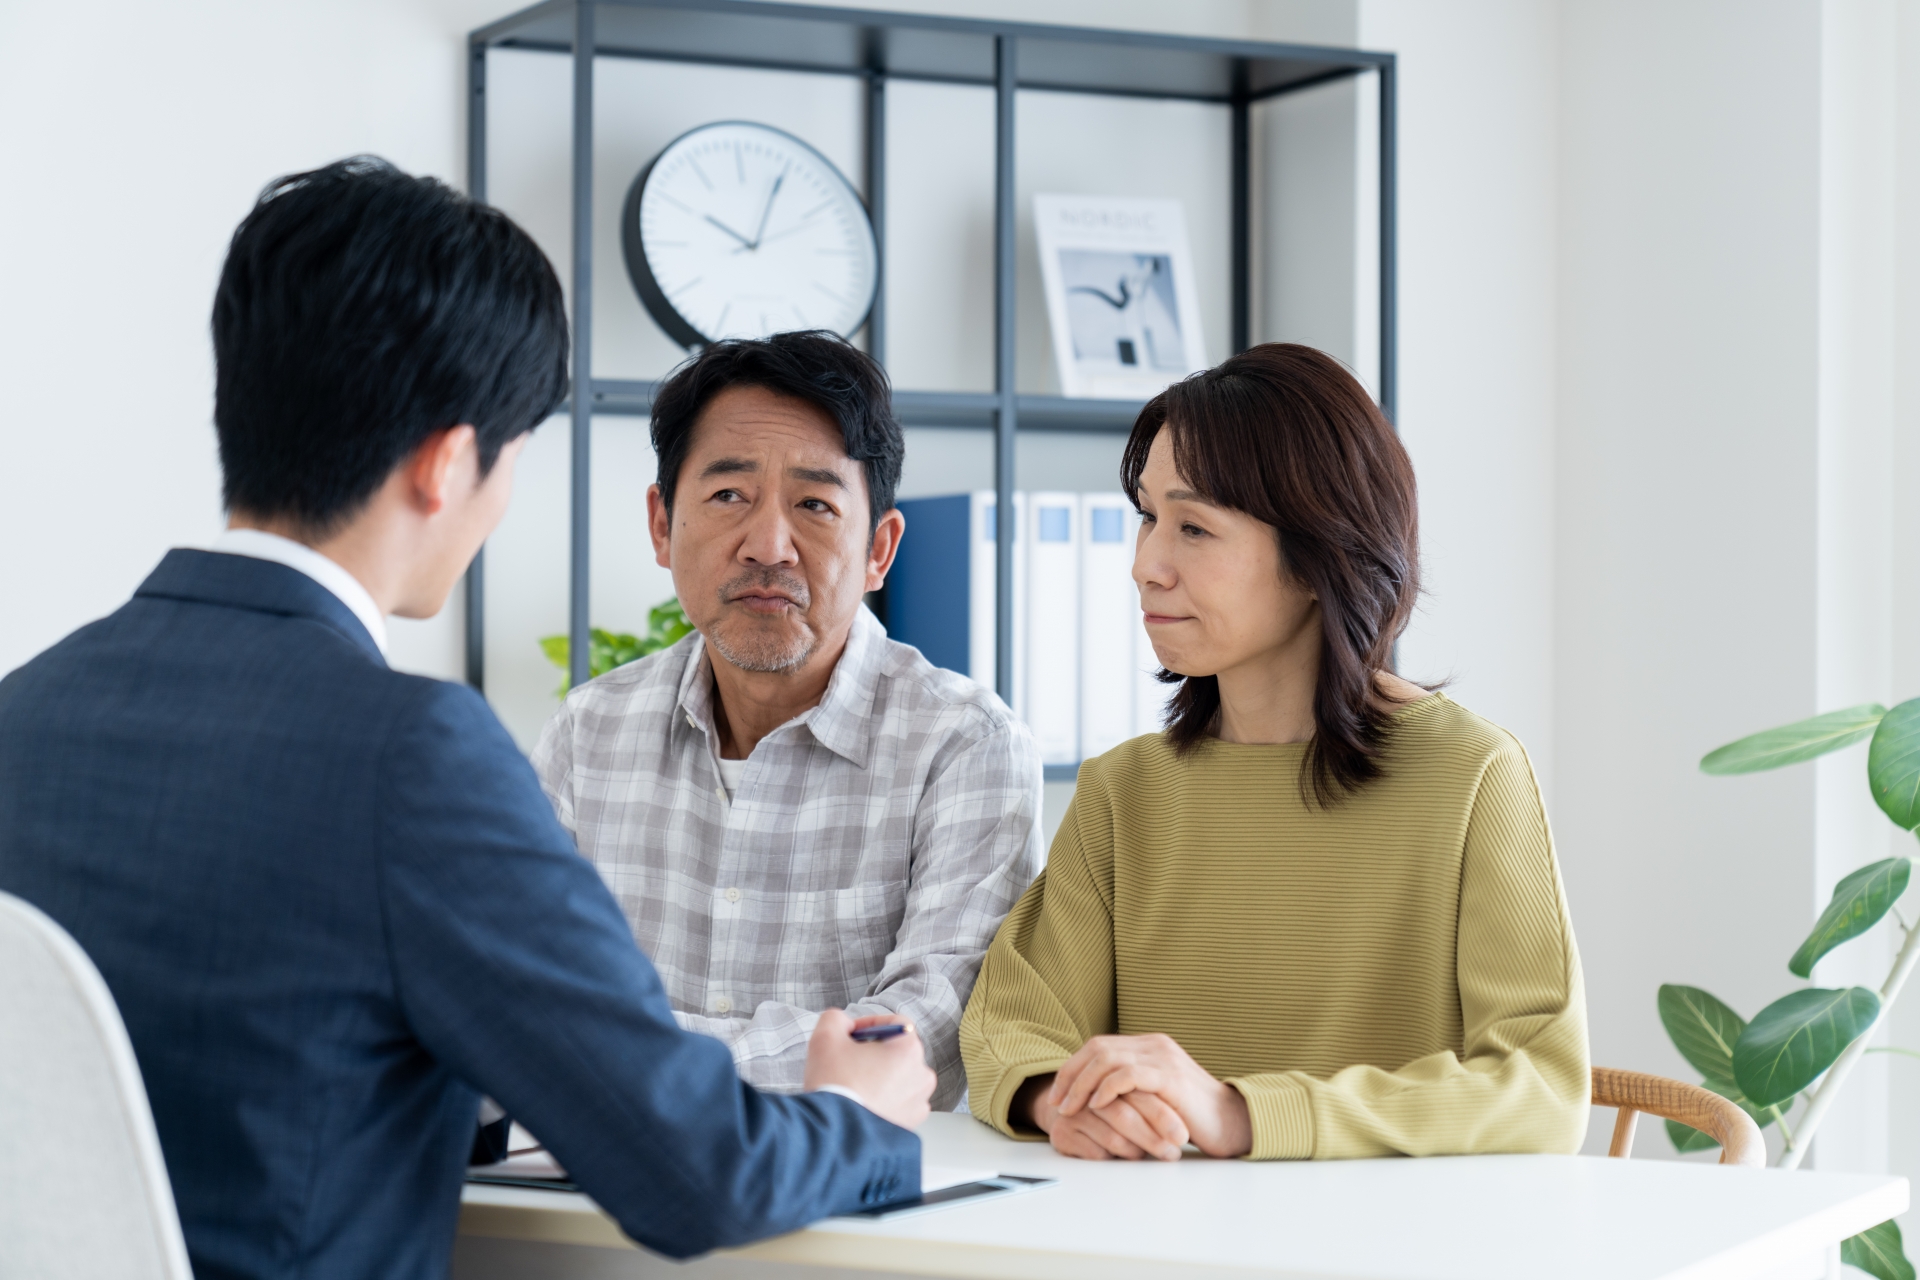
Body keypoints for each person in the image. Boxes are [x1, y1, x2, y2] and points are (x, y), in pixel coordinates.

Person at [0, 157, 934, 1280]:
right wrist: (861, 1116)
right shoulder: (412, 755)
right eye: (514, 458)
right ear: (449, 463)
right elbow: (696, 1170)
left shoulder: (28, 712)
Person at [959, 343, 1589, 1162]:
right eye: (1147, 517)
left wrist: (1243, 1114)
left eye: (1194, 528)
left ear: (1320, 554)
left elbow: (1538, 1090)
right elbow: (1012, 1024)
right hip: (1158, 1248)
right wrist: (1056, 1097)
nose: (1146, 565)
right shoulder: (1125, 791)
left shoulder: (1471, 776)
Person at [532, 332, 1042, 1111]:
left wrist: (625, 1056)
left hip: (857, 1212)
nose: (768, 546)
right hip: (606, 1198)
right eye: (728, 496)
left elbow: (921, 1031)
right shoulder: (588, 734)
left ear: (879, 548)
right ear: (662, 525)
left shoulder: (964, 746)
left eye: (815, 505)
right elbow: (528, 997)